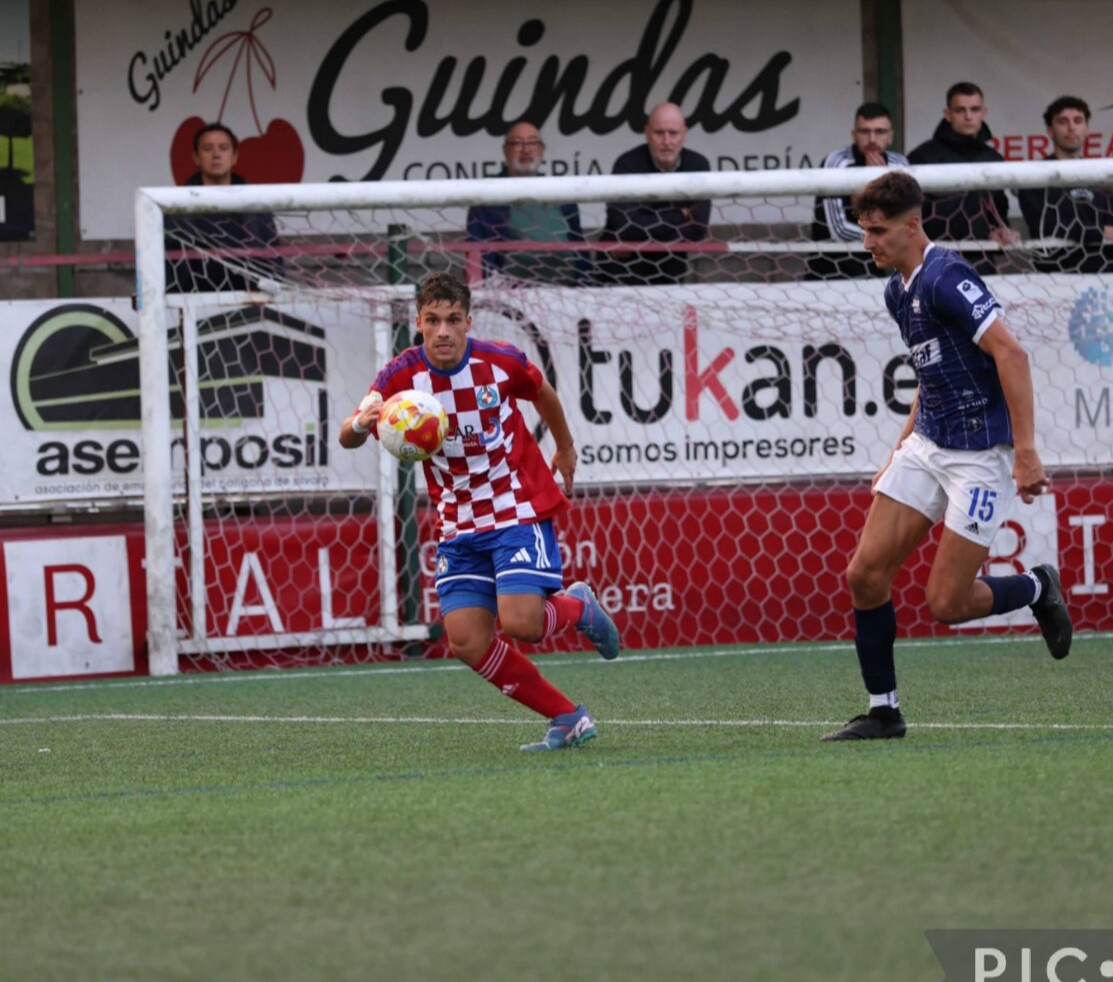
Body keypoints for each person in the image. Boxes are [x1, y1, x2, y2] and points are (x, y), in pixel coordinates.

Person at [822, 171, 1072, 742]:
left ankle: (1037, 587)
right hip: (929, 443)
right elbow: (931, 373)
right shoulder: (897, 290)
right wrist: (899, 450)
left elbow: (1011, 354)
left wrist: (1026, 452)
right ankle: (883, 711)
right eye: (864, 231)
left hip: (980, 455)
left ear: (912, 226)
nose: (868, 243)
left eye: (878, 231)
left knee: (948, 603)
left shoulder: (947, 276)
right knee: (864, 575)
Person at [339, 272, 620, 751]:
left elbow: (543, 393)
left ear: (468, 321)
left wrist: (565, 448)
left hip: (514, 508)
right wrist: (362, 424)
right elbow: (347, 433)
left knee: (521, 625)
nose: (443, 330)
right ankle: (567, 718)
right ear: (419, 323)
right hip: (458, 522)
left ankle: (577, 606)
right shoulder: (399, 378)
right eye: (433, 320)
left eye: (453, 320)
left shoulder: (500, 361)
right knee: (467, 641)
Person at [908, 82, 1018, 273]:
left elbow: (999, 208)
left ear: (983, 112)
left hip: (982, 262)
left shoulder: (993, 158)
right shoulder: (923, 157)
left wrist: (1001, 229)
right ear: (947, 114)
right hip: (933, 262)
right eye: (960, 110)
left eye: (974, 109)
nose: (968, 116)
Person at [597, 102, 711, 285]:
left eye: (673, 133)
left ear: (684, 134)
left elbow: (697, 230)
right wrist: (680, 215)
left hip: (670, 272)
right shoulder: (627, 164)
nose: (667, 141)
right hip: (621, 273)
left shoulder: (697, 165)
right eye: (659, 133)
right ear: (647, 133)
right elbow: (625, 227)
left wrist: (642, 227)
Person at [165, 123, 282, 293]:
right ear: (196, 157)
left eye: (223, 148)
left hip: (249, 304)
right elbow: (165, 265)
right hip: (190, 305)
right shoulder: (176, 209)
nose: (216, 155)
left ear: (234, 157)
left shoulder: (256, 206)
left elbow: (274, 261)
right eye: (207, 148)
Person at [465, 121, 587, 284]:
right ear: (505, 150)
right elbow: (480, 255)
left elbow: (579, 246)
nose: (526, 150)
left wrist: (584, 286)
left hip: (565, 293)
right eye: (517, 143)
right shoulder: (488, 195)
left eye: (532, 142)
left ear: (542, 149)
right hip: (510, 297)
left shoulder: (560, 193)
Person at [809, 102, 910, 279]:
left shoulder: (899, 164)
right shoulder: (836, 162)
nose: (872, 139)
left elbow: (907, 220)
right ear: (854, 135)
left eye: (880, 132)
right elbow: (838, 230)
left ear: (890, 136)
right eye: (865, 132)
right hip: (831, 272)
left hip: (881, 273)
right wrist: (888, 235)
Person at [1017, 96, 1113, 273]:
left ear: (1087, 129)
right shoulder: (1034, 177)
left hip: (1105, 278)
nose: (1072, 127)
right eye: (1063, 121)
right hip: (1055, 280)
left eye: (1078, 121)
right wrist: (1102, 232)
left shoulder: (1101, 176)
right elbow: (1047, 227)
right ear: (1050, 131)